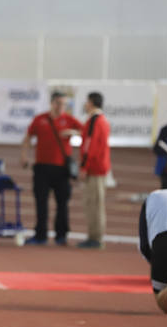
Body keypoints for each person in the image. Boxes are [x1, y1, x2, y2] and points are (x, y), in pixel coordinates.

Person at [20, 92, 83, 246]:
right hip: (42, 167)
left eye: (64, 104)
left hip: (61, 169)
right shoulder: (40, 119)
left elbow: (86, 132)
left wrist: (73, 132)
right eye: (59, 103)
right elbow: (28, 137)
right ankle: (40, 235)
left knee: (62, 203)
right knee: (41, 202)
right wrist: (24, 155)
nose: (62, 107)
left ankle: (61, 235)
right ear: (52, 103)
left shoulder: (69, 120)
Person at [78, 91, 111, 249]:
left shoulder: (95, 121)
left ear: (91, 103)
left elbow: (90, 146)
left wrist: (84, 166)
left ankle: (95, 237)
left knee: (94, 203)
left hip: (94, 168)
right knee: (94, 202)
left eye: (86, 101)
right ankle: (94, 236)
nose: (85, 104)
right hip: (97, 166)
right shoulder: (100, 120)